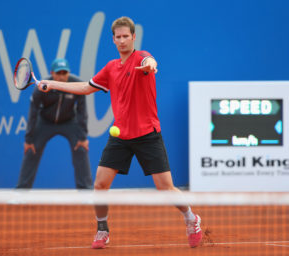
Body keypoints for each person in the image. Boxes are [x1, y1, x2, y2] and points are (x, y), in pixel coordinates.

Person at [37, 17, 202, 249]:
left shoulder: (142, 58)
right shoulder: (111, 68)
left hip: (148, 134)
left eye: (126, 36)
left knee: (165, 187)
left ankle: (191, 218)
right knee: (100, 185)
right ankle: (102, 229)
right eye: (118, 37)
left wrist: (150, 66)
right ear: (113, 40)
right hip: (120, 136)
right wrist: (53, 84)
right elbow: (86, 87)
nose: (123, 40)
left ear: (133, 37)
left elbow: (151, 61)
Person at [16, 58, 93, 189]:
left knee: (81, 148)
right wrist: (29, 139)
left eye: (65, 73)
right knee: (31, 149)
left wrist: (83, 137)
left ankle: (85, 191)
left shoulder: (77, 84)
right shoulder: (41, 87)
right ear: (52, 73)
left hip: (69, 121)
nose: (62, 76)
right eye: (59, 73)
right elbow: (33, 112)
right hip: (45, 121)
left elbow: (82, 111)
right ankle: (21, 191)